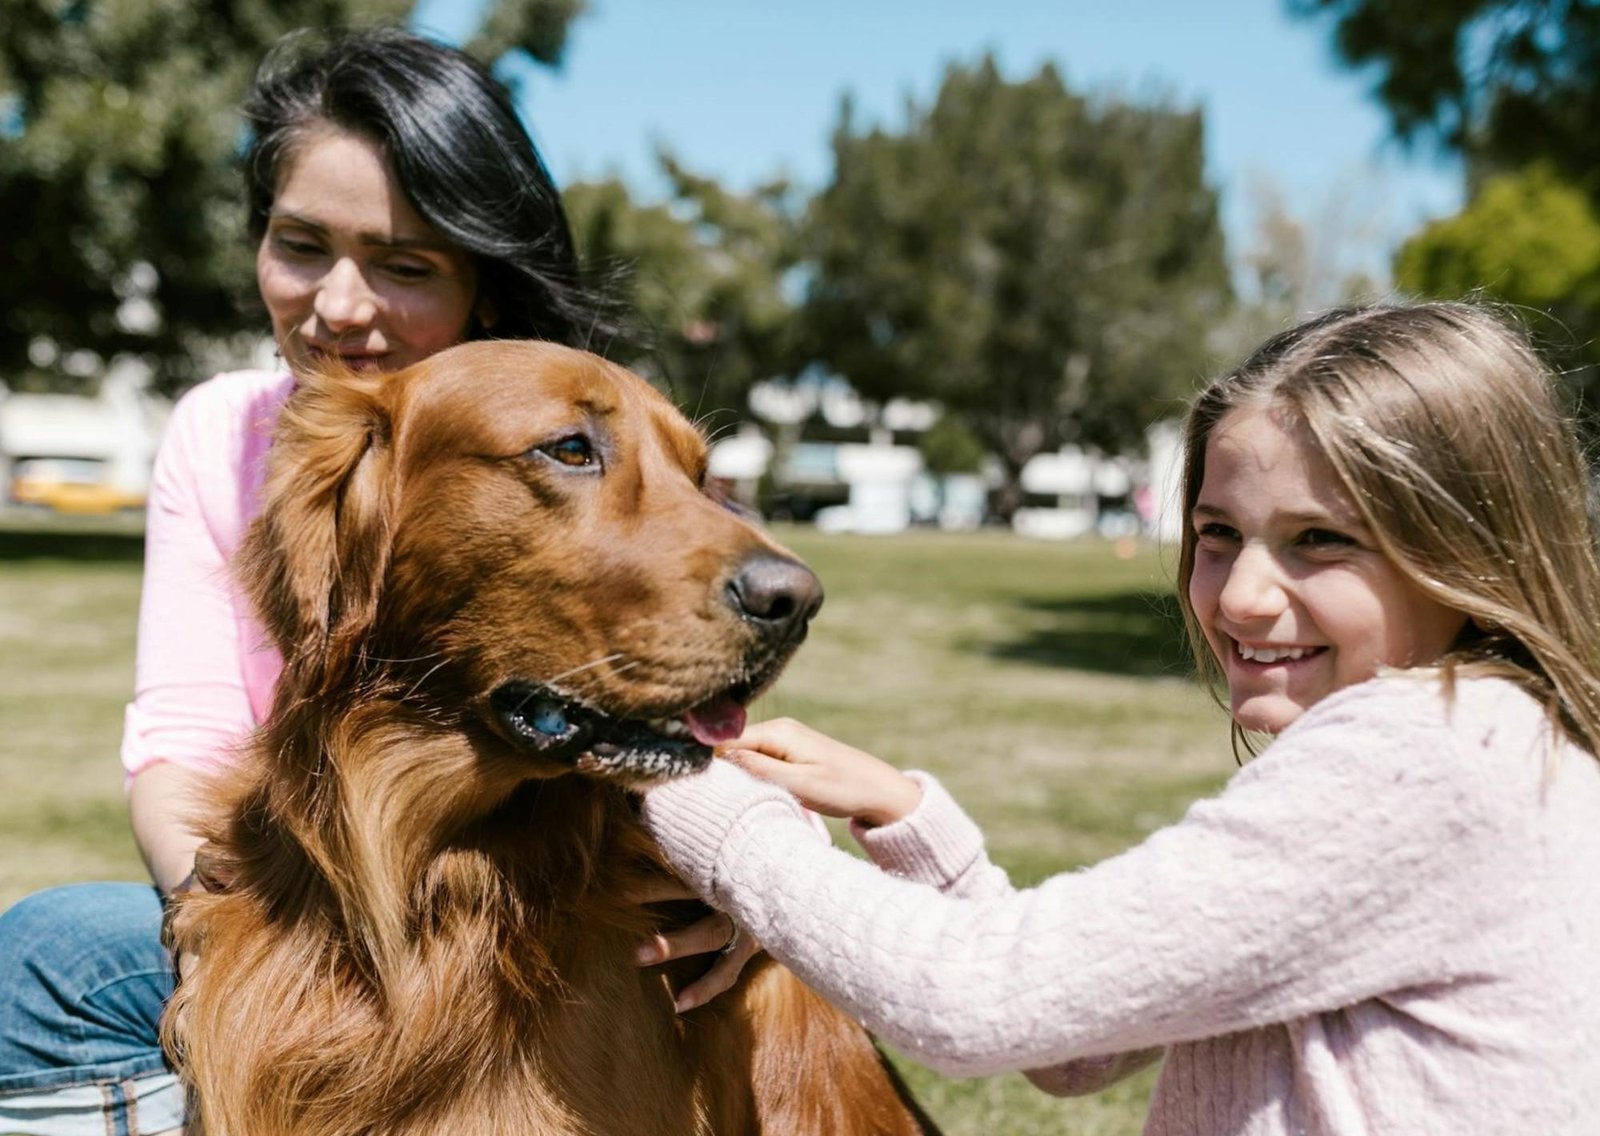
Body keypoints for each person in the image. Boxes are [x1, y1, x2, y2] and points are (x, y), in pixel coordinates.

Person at [0, 26, 750, 1136]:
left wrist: (750, 884)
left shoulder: (601, 436)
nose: (339, 307)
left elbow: (699, 704)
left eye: (405, 265)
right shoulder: (225, 433)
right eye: (301, 246)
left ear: (483, 286)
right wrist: (237, 950)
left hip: (541, 904)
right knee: (51, 952)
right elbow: (181, 741)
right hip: (299, 884)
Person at [639, 302, 1600, 1132]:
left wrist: (688, 788)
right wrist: (907, 818)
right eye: (1219, 535)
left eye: (1322, 541)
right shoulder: (1499, 741)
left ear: (1472, 551)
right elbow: (1076, 1052)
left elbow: (974, 1002)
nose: (1243, 598)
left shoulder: (1422, 758)